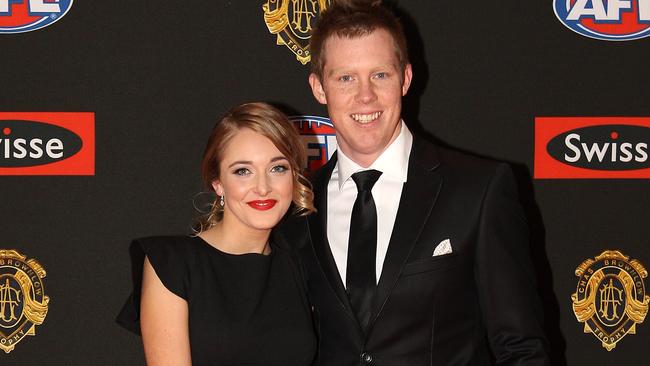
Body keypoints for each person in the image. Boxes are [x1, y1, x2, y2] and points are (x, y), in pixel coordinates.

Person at [274, 1, 551, 365]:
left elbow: (522, 349)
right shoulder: (297, 207)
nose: (365, 96)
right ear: (319, 88)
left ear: (405, 78)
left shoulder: (477, 190)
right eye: (345, 78)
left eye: (380, 75)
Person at [117, 102, 317, 366]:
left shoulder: (299, 265)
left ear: (294, 175)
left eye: (277, 168)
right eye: (243, 171)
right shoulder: (173, 264)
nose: (263, 187)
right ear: (218, 183)